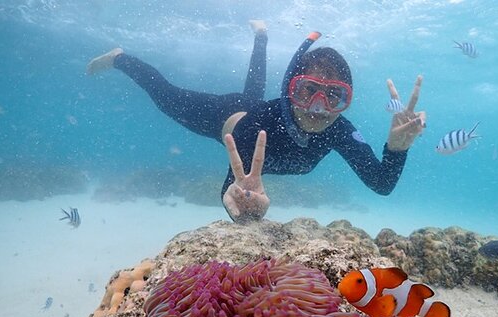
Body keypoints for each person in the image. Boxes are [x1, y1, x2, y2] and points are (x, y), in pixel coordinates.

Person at [87, 21, 426, 222]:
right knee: (166, 96)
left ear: (344, 102)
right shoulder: (259, 128)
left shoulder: (340, 131)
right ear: (291, 89)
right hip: (226, 115)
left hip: (256, 106)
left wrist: (396, 149)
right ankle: (120, 58)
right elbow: (232, 189)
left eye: (333, 96)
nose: (317, 107)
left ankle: (261, 35)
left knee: (254, 88)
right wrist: (242, 204)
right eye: (307, 91)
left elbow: (381, 184)